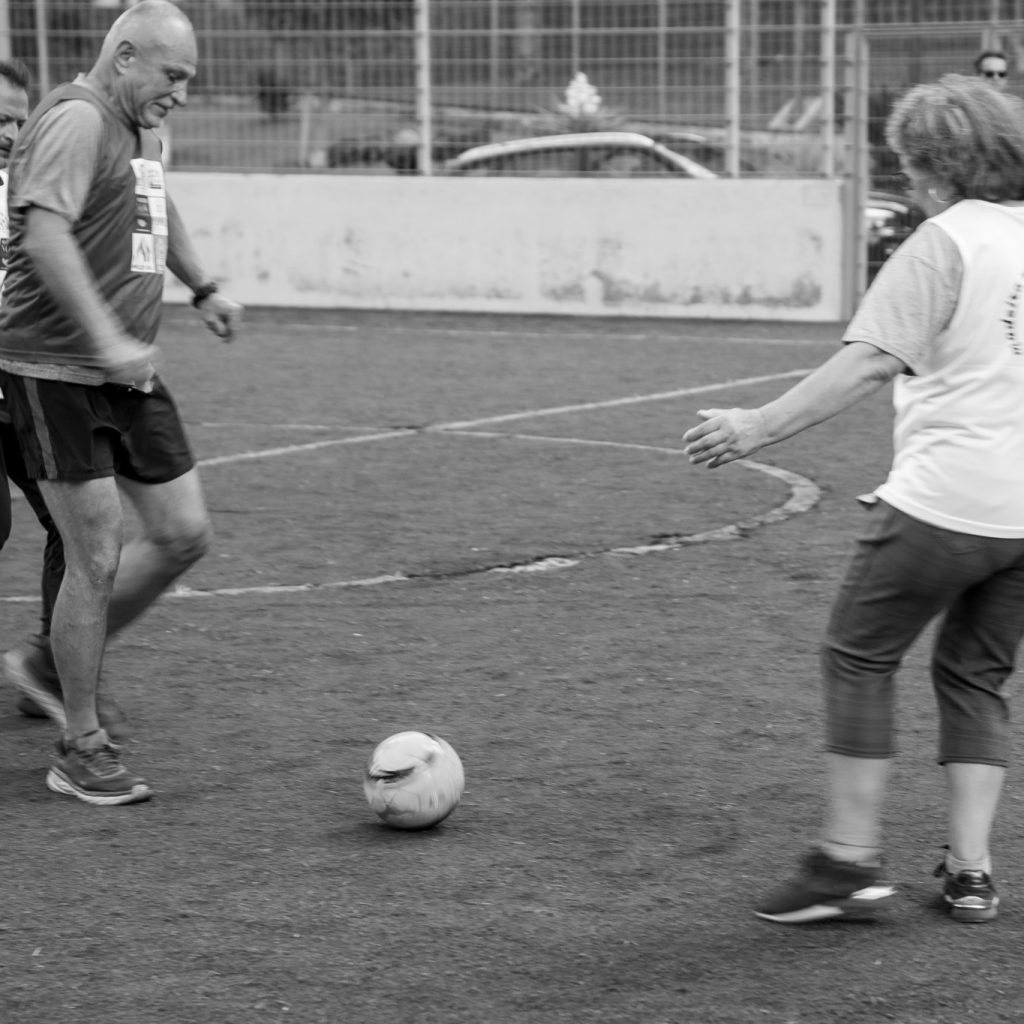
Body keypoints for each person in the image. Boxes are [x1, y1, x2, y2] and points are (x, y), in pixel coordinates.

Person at [683, 73, 1024, 925]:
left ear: (939, 165)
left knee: (859, 654)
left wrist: (757, 425)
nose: (906, 180)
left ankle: (846, 864)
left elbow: (873, 358)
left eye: (909, 165)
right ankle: (971, 874)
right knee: (976, 677)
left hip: (946, 503)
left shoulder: (945, 243)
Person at [0, 0, 242, 806]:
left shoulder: (141, 125)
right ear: (127, 55)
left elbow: (153, 205)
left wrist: (201, 284)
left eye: (190, 80)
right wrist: (104, 338)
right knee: (95, 549)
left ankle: (42, 666)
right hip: (54, 370)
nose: (182, 91)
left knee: (182, 536)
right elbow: (42, 233)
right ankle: (79, 745)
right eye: (173, 75)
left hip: (124, 375)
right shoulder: (75, 120)